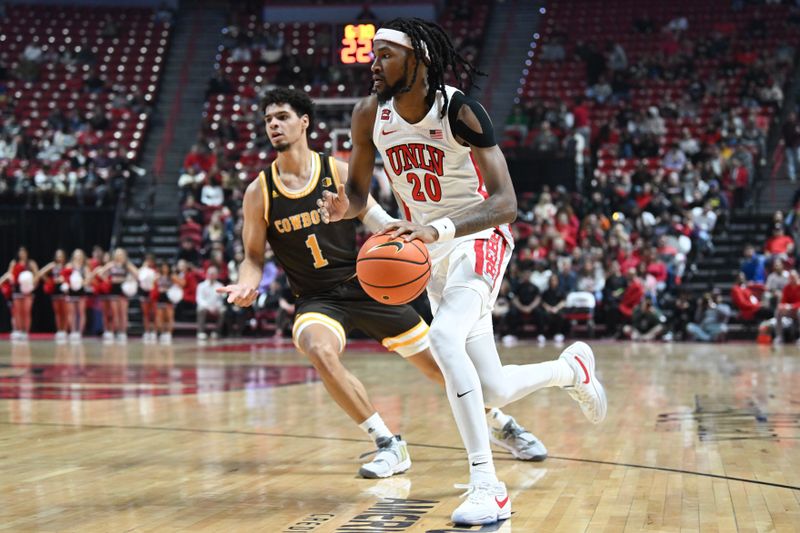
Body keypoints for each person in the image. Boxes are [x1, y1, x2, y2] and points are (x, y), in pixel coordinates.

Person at [319, 19, 607, 525]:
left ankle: (487, 484)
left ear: (420, 60)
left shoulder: (460, 111)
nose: (374, 63)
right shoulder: (370, 114)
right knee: (491, 387)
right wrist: (345, 208)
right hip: (424, 252)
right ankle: (570, 371)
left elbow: (506, 203)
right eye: (373, 54)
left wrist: (438, 232)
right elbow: (361, 196)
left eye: (386, 54)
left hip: (478, 239)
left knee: (445, 340)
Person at [218, 88, 546, 483]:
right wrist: (244, 284)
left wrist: (413, 240)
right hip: (317, 298)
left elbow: (376, 219)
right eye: (268, 119)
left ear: (304, 122)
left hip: (367, 284)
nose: (273, 125)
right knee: (317, 348)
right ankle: (387, 442)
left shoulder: (336, 171)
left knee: (442, 368)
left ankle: (501, 422)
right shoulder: (260, 192)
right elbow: (252, 257)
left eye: (282, 116)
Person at [5, 246, 39, 341]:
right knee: (17, 312)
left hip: (27, 291)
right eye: (20, 252)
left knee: (26, 311)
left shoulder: (31, 263)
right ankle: (19, 330)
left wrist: (32, 283)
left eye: (24, 252)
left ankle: (25, 332)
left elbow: (37, 275)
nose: (22, 254)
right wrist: (12, 278)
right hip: (17, 290)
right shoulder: (14, 263)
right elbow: (9, 274)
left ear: (27, 253)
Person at [36, 249, 69, 341]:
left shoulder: (67, 266)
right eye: (58, 256)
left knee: (65, 312)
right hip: (55, 290)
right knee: (58, 312)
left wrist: (65, 279)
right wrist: (50, 281)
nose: (59, 258)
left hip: (64, 290)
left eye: (61, 255)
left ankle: (65, 331)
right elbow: (41, 273)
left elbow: (72, 275)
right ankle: (59, 331)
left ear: (64, 257)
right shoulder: (53, 265)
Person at [196, 266, 225, 340]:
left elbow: (221, 300)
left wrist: (216, 307)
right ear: (207, 274)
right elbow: (199, 299)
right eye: (210, 273)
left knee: (223, 310)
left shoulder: (220, 286)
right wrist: (208, 307)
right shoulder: (201, 285)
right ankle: (201, 332)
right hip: (205, 307)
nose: (211, 275)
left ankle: (216, 332)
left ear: (217, 275)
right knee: (200, 309)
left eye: (213, 274)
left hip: (216, 307)